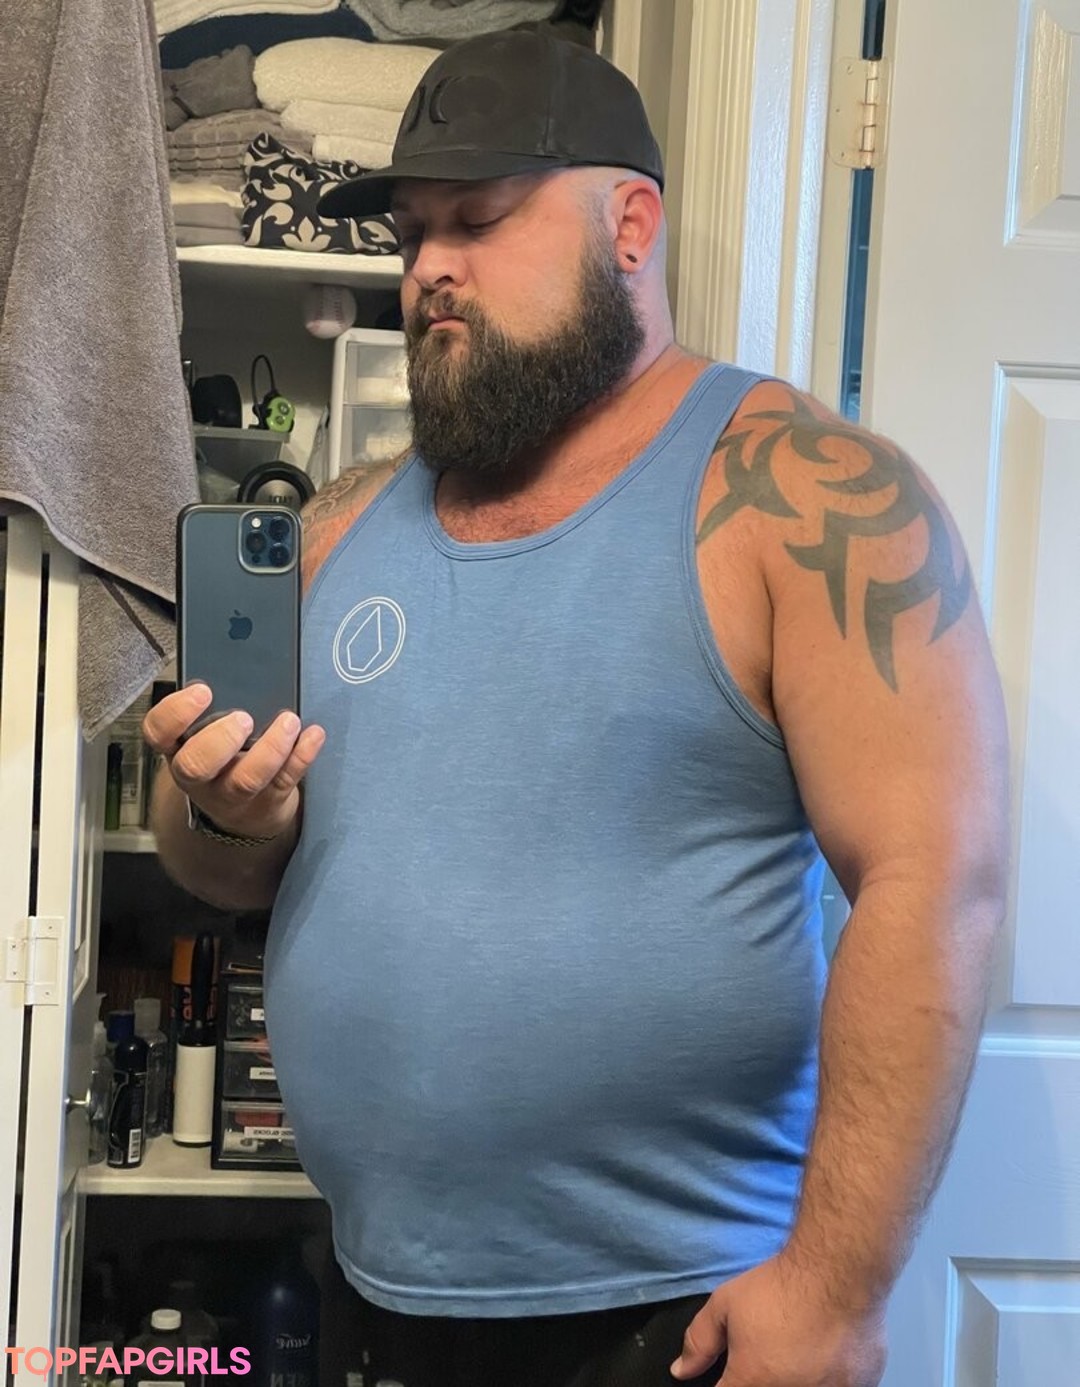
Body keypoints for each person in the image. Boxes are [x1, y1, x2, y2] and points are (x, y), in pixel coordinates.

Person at [144, 29, 1009, 1387]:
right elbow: (214, 867)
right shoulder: (343, 524)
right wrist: (221, 811)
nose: (429, 268)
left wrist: (837, 1292)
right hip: (379, 1295)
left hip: (683, 1322)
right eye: (412, 233)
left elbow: (937, 883)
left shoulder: (801, 496)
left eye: (478, 221)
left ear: (631, 226)